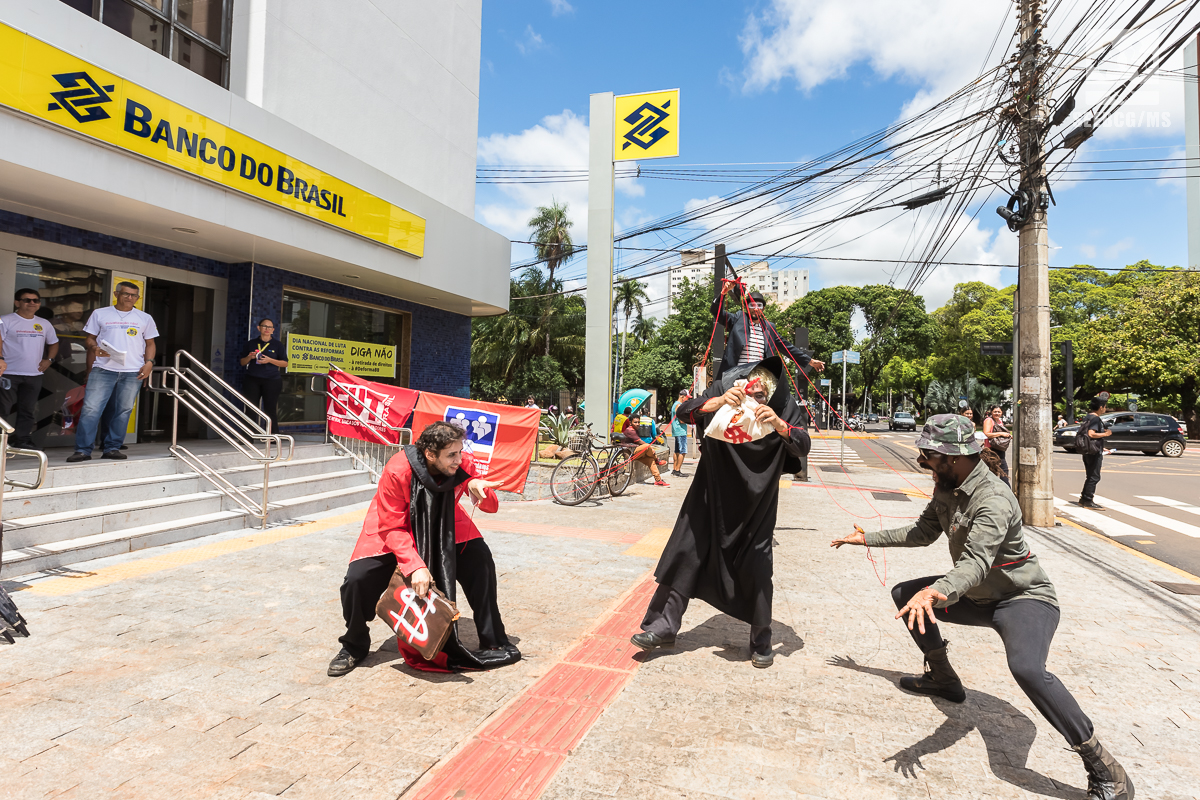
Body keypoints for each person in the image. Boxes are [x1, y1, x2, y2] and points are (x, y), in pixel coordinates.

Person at [830, 414, 1133, 800]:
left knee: (1026, 668)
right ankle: (944, 680)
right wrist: (866, 538)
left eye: (928, 455)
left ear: (953, 457)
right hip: (976, 598)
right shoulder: (947, 485)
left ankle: (1106, 768)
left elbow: (975, 563)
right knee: (907, 595)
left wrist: (936, 591)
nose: (923, 461)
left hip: (1022, 599)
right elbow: (922, 534)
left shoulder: (993, 499)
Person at [631, 356, 811, 668]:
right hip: (709, 492)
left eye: (761, 396)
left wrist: (780, 425)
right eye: (749, 392)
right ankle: (663, 628)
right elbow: (684, 411)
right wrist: (715, 403)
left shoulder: (785, 407)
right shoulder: (724, 392)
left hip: (757, 503)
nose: (753, 400)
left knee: (757, 566)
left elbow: (802, 444)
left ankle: (761, 639)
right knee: (685, 553)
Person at [329, 421, 520, 676]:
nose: (459, 459)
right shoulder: (397, 469)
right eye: (452, 455)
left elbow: (488, 501)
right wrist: (415, 565)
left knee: (480, 560)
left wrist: (476, 485)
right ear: (430, 454)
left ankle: (493, 637)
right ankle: (354, 644)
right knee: (357, 579)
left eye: (460, 452)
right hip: (394, 525)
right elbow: (391, 525)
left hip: (445, 521)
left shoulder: (459, 461)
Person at [67, 282, 157, 462]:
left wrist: (149, 363)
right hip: (103, 370)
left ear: (138, 298)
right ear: (116, 294)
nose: (129, 298)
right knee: (91, 409)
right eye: (125, 294)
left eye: (134, 295)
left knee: (123, 410)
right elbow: (90, 339)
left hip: (132, 372)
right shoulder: (100, 313)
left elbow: (150, 344)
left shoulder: (144, 318)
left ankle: (112, 448)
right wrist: (94, 348)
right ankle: (83, 450)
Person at [712, 283, 825, 378]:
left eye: (759, 305)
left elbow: (787, 348)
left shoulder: (769, 328)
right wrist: (723, 294)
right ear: (747, 307)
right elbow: (717, 312)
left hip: (759, 376)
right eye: (752, 305)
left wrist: (810, 361)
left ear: (763, 308)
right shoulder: (738, 318)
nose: (756, 308)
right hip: (736, 376)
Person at [1, 289, 59, 449]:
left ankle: (22, 440)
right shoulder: (5, 320)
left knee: (27, 410)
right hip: (8, 374)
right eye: (27, 300)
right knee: (3, 409)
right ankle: (2, 441)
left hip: (34, 374)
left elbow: (54, 343)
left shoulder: (44, 323)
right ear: (17, 303)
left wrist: (49, 360)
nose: (32, 303)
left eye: (36, 300)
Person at [238, 318, 288, 433]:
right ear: (259, 328)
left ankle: (273, 436)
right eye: (264, 326)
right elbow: (242, 362)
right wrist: (250, 357)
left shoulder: (277, 345)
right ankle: (247, 436)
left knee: (270, 409)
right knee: (251, 408)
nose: (267, 329)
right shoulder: (251, 343)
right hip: (252, 379)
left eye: (269, 327)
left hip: (272, 380)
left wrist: (270, 360)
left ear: (273, 330)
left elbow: (285, 363)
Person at [620, 410, 668, 487]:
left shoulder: (635, 430)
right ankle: (657, 460)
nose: (637, 424)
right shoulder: (630, 430)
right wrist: (651, 448)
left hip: (634, 453)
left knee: (650, 461)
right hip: (629, 454)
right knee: (647, 446)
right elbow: (640, 442)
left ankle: (658, 480)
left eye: (638, 422)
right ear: (630, 422)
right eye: (635, 422)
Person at [1078, 397, 1111, 510]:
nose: (1105, 409)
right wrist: (1105, 435)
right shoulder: (1095, 419)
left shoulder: (1087, 417)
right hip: (1093, 451)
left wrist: (1103, 447)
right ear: (1100, 407)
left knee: (1090, 475)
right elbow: (1091, 434)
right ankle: (1087, 500)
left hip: (1088, 449)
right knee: (1094, 476)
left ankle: (1083, 499)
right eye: (1105, 407)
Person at [982, 404, 1011, 486]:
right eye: (995, 412)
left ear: (1002, 412)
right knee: (994, 471)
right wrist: (1001, 433)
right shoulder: (989, 420)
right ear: (991, 412)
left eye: (999, 411)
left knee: (1002, 471)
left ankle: (1005, 490)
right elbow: (987, 433)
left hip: (1000, 448)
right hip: (991, 449)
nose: (997, 413)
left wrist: (1007, 435)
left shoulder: (1000, 421)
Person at [670, 389, 689, 477]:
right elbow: (681, 420)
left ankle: (674, 469)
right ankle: (677, 470)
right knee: (683, 451)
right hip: (681, 430)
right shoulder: (679, 406)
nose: (687, 399)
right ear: (682, 396)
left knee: (677, 450)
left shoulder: (674, 404)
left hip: (676, 430)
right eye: (687, 397)